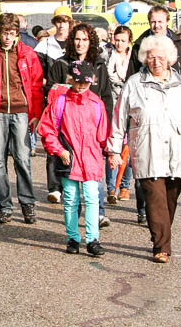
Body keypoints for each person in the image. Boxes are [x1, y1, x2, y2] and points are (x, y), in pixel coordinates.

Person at [109, 34, 181, 263]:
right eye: (151, 57)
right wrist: (114, 150)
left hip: (177, 152)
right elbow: (119, 118)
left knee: (170, 198)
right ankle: (161, 246)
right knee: (154, 198)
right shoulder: (134, 83)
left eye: (161, 57)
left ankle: (162, 237)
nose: (156, 62)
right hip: (147, 150)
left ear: (170, 59)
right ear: (144, 58)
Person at [0, 13, 45, 225]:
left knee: (23, 159)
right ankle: (4, 206)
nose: (8, 38)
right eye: (5, 33)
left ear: (17, 34)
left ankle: (27, 204)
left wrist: (36, 115)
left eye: (12, 34)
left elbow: (36, 86)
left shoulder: (28, 54)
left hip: (22, 112)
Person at [38, 61, 109, 257]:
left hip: (91, 158)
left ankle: (93, 239)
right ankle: (72, 237)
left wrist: (112, 153)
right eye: (77, 82)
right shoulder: (60, 102)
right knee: (70, 199)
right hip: (69, 157)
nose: (81, 87)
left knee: (92, 197)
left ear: (91, 82)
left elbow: (103, 134)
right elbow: (48, 130)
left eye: (85, 83)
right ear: (70, 80)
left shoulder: (96, 103)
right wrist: (59, 150)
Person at [45, 23, 113, 226]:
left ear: (90, 41)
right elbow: (50, 91)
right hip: (68, 126)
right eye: (77, 39)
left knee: (93, 172)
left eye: (85, 39)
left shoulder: (99, 65)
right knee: (72, 176)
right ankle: (73, 219)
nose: (81, 43)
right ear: (71, 41)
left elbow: (107, 97)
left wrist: (107, 127)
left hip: (93, 126)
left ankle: (98, 212)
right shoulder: (60, 64)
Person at [105, 25, 135, 208]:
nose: (119, 44)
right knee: (112, 146)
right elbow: (109, 75)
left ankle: (124, 185)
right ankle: (110, 187)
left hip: (130, 103)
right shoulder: (109, 55)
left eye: (123, 40)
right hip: (114, 102)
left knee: (128, 146)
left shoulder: (133, 56)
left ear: (129, 41)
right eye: (117, 40)